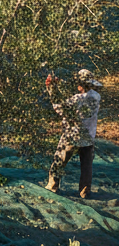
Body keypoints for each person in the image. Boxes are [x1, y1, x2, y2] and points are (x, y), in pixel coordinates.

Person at [45, 69, 102, 198]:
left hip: (73, 135)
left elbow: (60, 108)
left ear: (82, 84)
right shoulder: (96, 96)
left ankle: (52, 186)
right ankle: (84, 192)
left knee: (59, 161)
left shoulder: (77, 99)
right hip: (89, 137)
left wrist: (52, 89)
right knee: (86, 166)